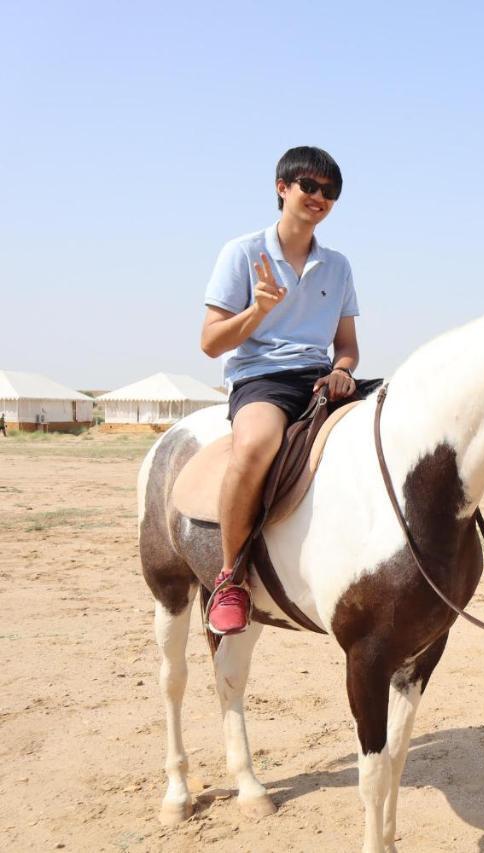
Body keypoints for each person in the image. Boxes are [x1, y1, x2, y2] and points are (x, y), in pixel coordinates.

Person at [199, 146, 361, 635]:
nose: (319, 198)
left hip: (320, 378)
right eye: (309, 187)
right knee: (255, 446)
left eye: (329, 192)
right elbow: (210, 343)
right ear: (282, 188)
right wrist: (258, 312)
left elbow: (348, 347)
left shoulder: (338, 265)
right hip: (262, 376)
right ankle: (230, 577)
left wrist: (344, 372)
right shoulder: (243, 252)